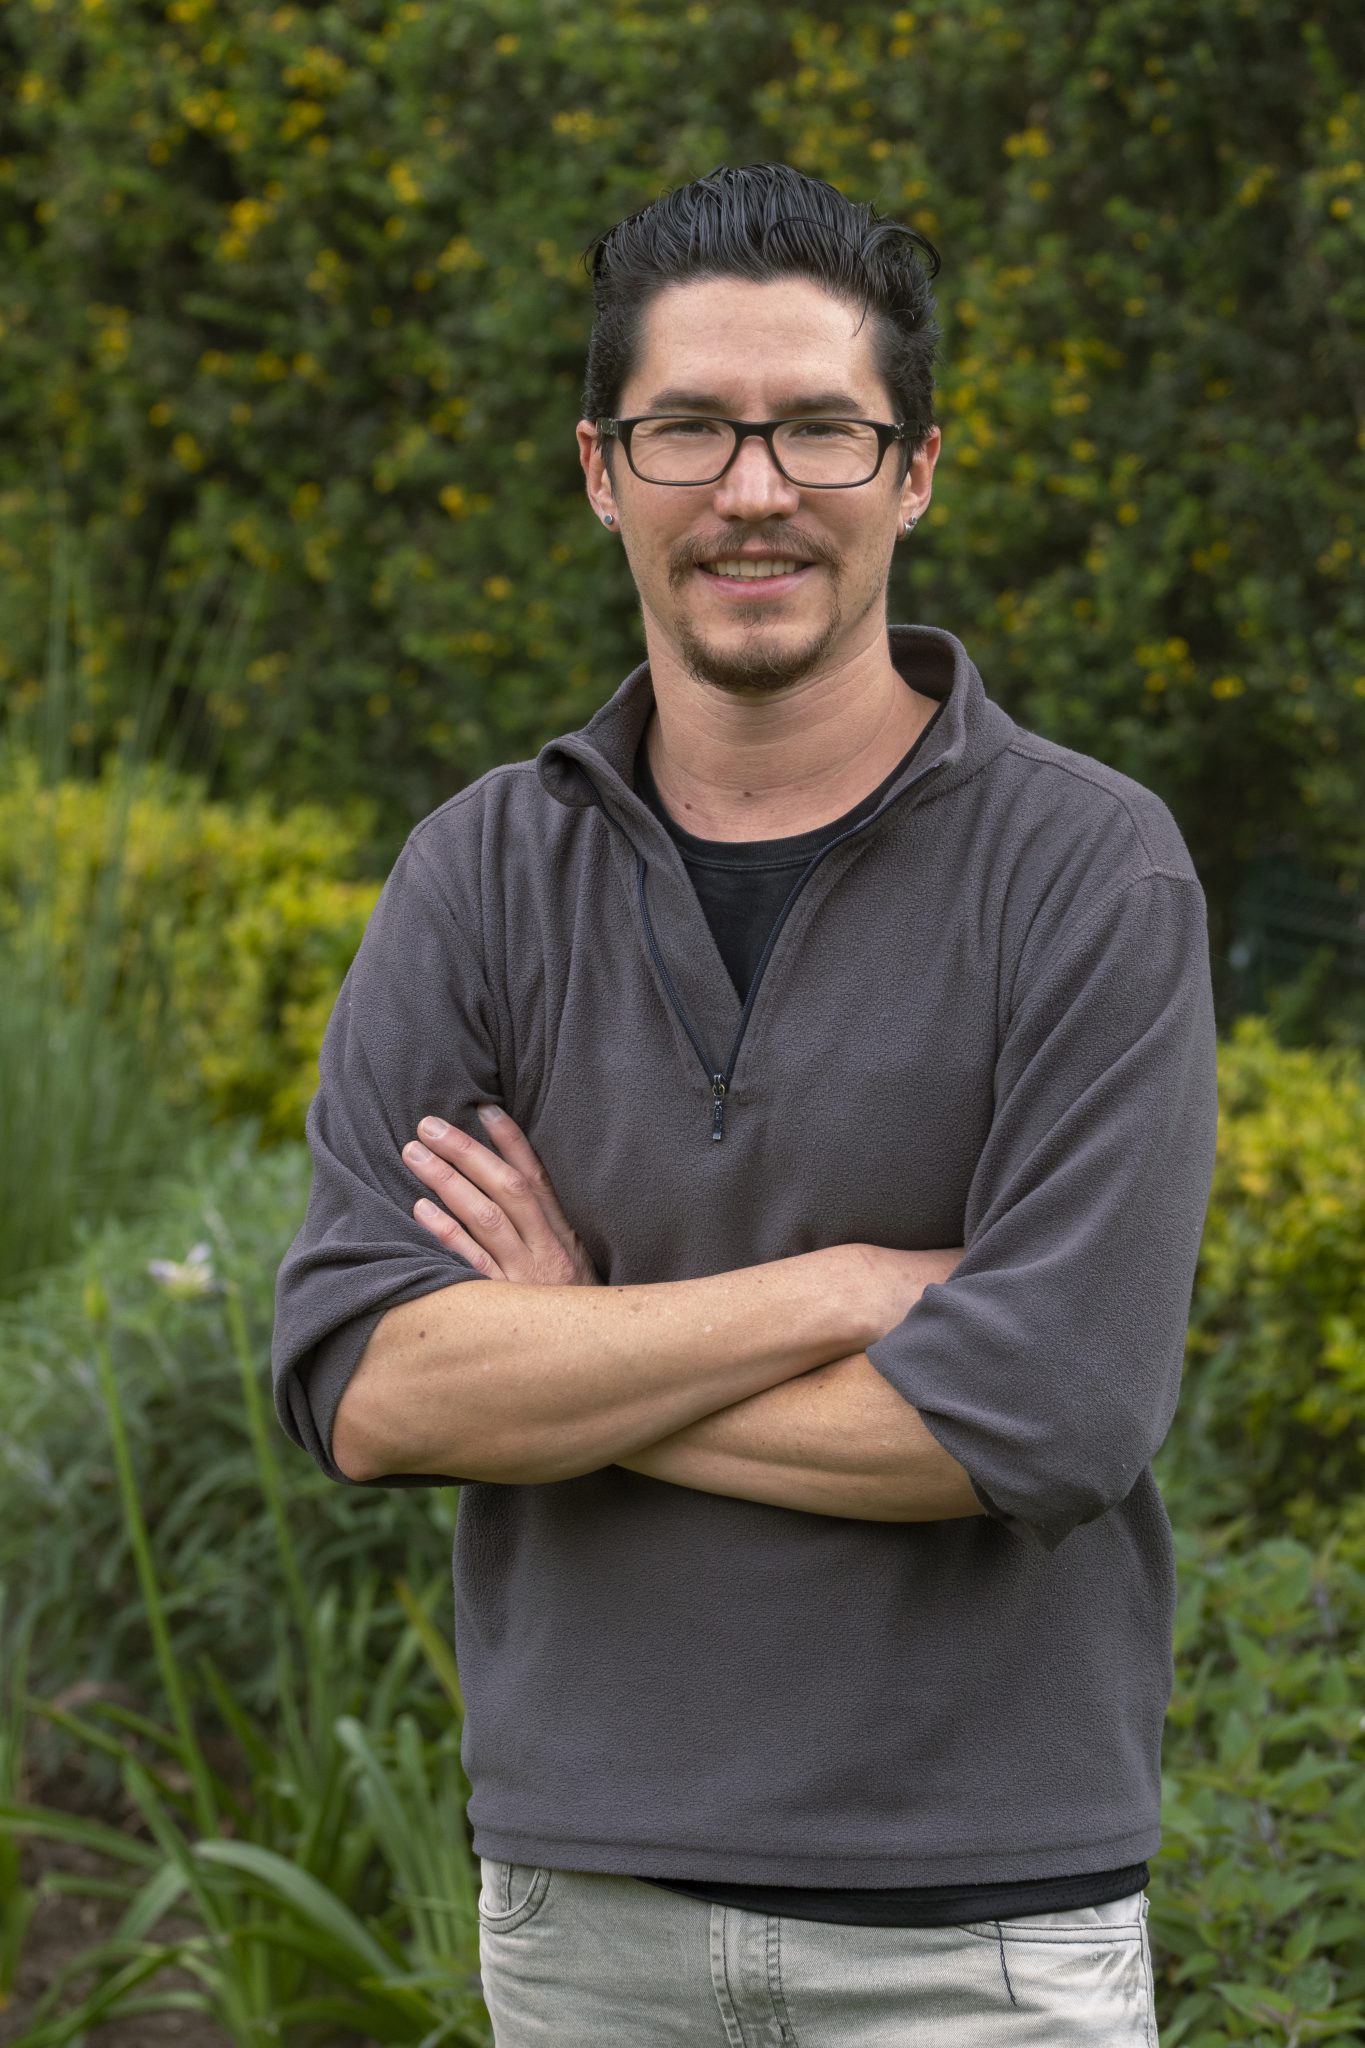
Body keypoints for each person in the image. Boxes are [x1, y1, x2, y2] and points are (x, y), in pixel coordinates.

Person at [272, 162, 1218, 2045]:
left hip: (980, 1943)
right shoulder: (478, 873)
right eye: (689, 428)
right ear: (601, 469)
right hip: (582, 1919)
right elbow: (367, 1389)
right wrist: (840, 1289)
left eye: (819, 431)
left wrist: (564, 1354)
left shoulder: (1091, 874)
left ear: (915, 470)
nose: (755, 489)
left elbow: (1046, 1420)